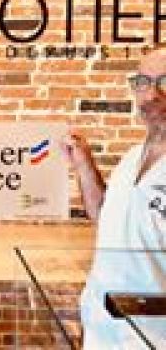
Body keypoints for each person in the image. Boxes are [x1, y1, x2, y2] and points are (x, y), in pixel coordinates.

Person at [61, 47, 166, 349]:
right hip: (102, 329)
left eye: (165, 82)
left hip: (152, 336)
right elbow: (103, 216)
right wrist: (84, 164)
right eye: (143, 82)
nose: (152, 94)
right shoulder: (132, 157)